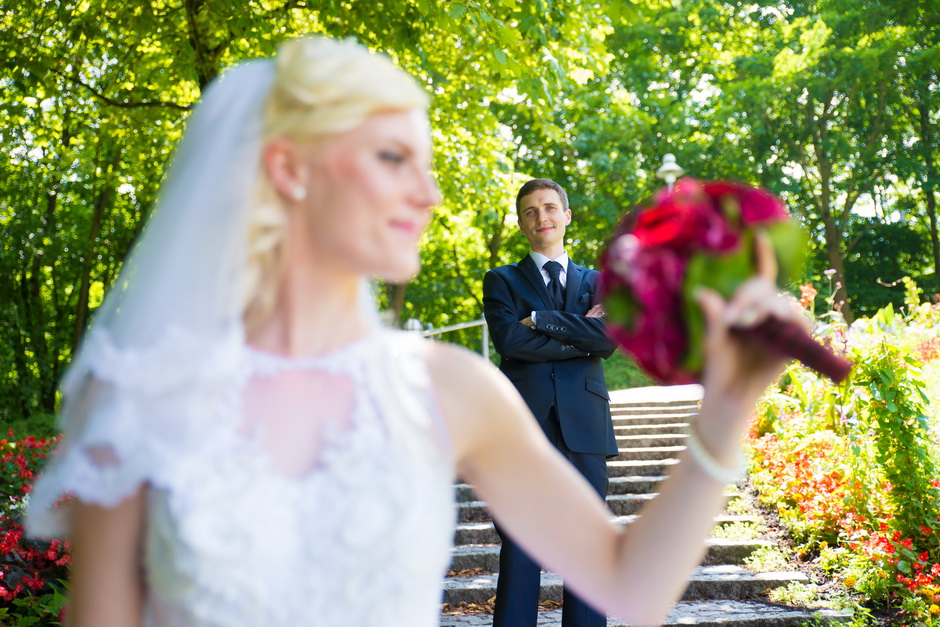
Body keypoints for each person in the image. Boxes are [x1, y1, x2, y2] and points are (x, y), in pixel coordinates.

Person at [26, 35, 808, 627]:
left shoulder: (449, 386)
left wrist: (728, 408)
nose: (429, 192)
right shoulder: (137, 396)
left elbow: (625, 579)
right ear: (292, 169)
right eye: (394, 157)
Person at [482, 178, 616, 627]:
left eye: (550, 208)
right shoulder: (501, 280)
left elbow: (610, 339)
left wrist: (540, 319)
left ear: (566, 215)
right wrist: (581, 334)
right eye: (530, 212)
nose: (542, 217)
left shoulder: (599, 282)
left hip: (586, 422)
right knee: (521, 539)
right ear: (522, 224)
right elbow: (509, 340)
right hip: (521, 424)